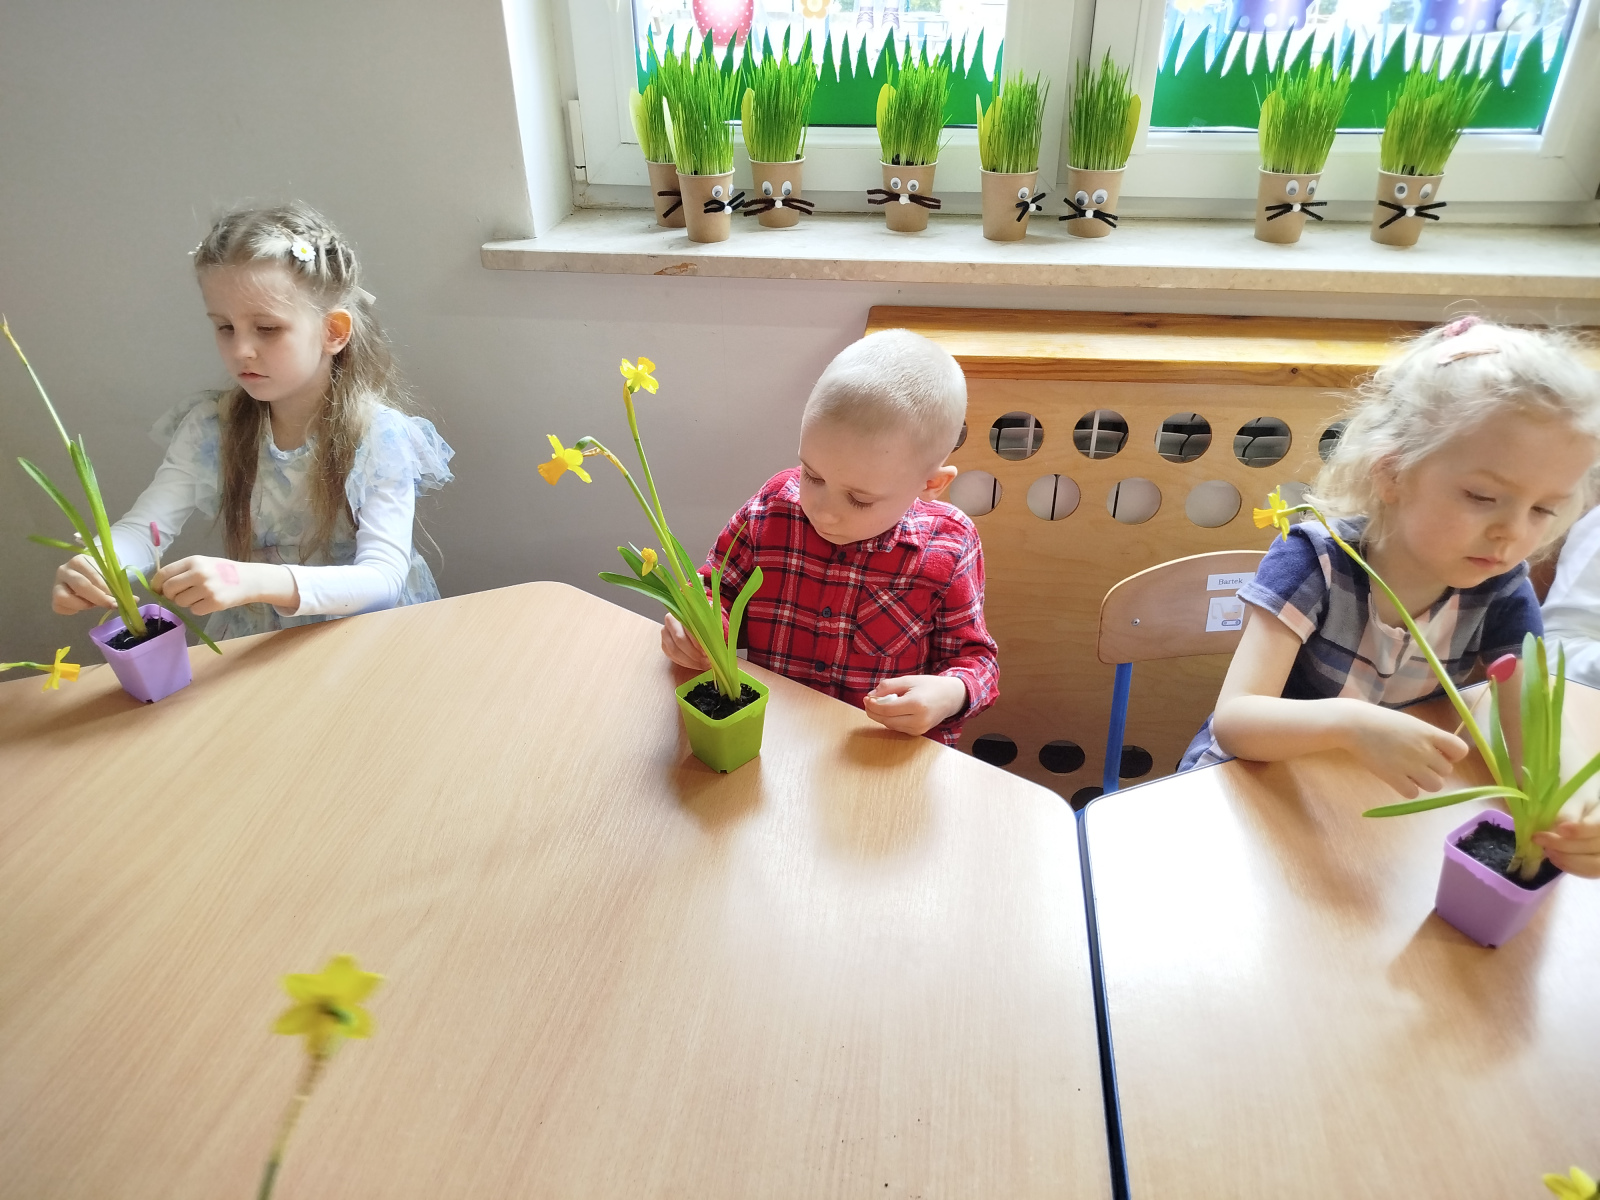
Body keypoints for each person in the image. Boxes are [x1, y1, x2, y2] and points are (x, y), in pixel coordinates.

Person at [1180, 317, 1600, 876]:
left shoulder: (1500, 590)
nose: (1513, 533)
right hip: (1246, 794)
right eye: (1483, 496)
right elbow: (1236, 721)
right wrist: (1348, 724)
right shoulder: (1315, 563)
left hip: (1362, 812)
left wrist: (1575, 811)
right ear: (1393, 473)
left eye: (1544, 509)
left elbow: (1535, 723)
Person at [50, 203, 452, 640]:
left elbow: (382, 579)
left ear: (333, 332)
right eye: (225, 327)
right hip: (260, 638)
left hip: (367, 637)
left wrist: (252, 580)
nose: (241, 350)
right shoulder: (211, 428)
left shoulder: (378, 436)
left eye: (267, 328)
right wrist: (101, 564)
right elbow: (144, 531)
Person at [660, 328, 997, 744]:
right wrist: (697, 629)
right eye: (812, 475)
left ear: (931, 484)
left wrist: (951, 693)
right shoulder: (773, 508)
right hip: (774, 737)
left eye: (859, 499)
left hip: (872, 753)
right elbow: (715, 590)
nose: (823, 510)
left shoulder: (950, 545)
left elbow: (976, 661)